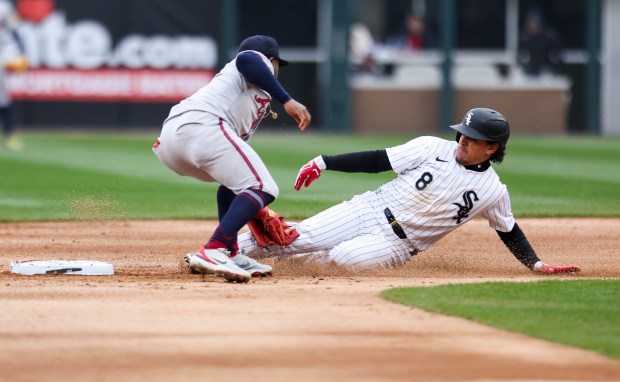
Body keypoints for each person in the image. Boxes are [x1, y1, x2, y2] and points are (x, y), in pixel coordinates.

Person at [237, 108, 580, 275]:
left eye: (471, 137)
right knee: (295, 236)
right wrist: (324, 162)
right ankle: (219, 251)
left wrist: (535, 264)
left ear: (491, 148)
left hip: (398, 244)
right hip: (369, 209)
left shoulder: (492, 191)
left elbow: (509, 230)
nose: (462, 139)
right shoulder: (431, 147)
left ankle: (289, 266)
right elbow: (377, 160)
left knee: (341, 260)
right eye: (462, 132)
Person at [153, 35, 312, 283]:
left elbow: (232, 185)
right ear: (271, 61)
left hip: (175, 142)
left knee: (237, 186)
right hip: (200, 125)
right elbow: (248, 59)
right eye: (276, 64)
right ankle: (214, 249)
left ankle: (229, 250)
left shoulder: (247, 93)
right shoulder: (251, 64)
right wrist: (287, 100)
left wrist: (251, 207)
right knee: (264, 187)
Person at [0, 0, 28, 150]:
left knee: (3, 98)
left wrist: (22, 51)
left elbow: (14, 30)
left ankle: (9, 134)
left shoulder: (3, 6)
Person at [518, 10, 562, 77]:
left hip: (547, 71)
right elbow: (521, 57)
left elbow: (557, 55)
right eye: (530, 24)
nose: (533, 27)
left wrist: (553, 67)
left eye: (535, 24)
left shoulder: (550, 37)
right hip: (529, 71)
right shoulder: (524, 38)